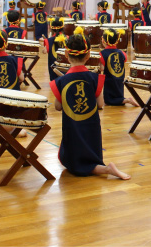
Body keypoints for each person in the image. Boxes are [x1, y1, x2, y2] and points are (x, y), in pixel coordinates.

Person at [49, 27, 131, 179]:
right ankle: (104, 168)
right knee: (89, 160)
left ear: (66, 54)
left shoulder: (61, 81)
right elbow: (100, 104)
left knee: (75, 165)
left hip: (73, 130)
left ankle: (107, 170)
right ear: (88, 55)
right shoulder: (94, 78)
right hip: (92, 131)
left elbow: (58, 107)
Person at [99, 28, 138, 106]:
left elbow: (102, 68)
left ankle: (126, 100)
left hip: (109, 80)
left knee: (108, 100)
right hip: (120, 79)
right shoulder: (122, 53)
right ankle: (122, 99)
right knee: (118, 94)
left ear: (103, 41)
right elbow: (124, 61)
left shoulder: (102, 53)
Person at [41, 17, 67, 81]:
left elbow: (44, 51)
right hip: (66, 69)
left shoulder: (48, 40)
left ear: (51, 28)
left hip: (54, 72)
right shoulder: (68, 38)